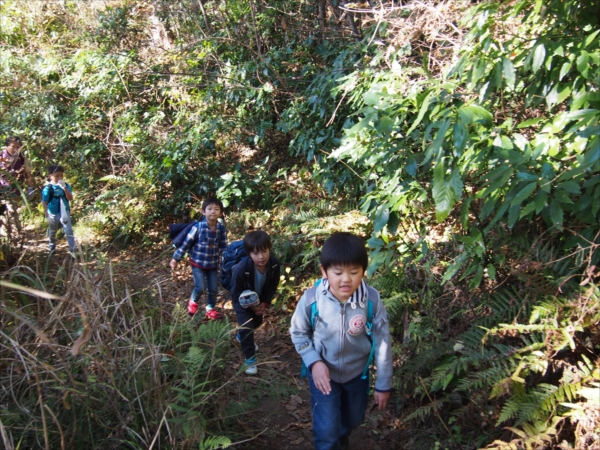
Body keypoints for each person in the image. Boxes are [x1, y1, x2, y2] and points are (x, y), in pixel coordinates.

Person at [289, 232, 393, 450]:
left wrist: (383, 383)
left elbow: (382, 339)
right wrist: (314, 362)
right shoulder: (312, 299)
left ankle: (343, 434)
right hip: (323, 375)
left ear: (364, 271)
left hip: (357, 375)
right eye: (338, 272)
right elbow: (299, 332)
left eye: (354, 272)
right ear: (324, 271)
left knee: (354, 418)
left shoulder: (371, 300)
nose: (346, 279)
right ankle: (331, 441)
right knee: (326, 430)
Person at [230, 230, 280, 375]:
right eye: (255, 253)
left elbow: (273, 285)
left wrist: (264, 303)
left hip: (258, 299)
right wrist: (250, 307)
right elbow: (235, 292)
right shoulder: (241, 269)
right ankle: (250, 359)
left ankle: (241, 337)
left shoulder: (274, 264)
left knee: (257, 323)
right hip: (241, 301)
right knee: (247, 327)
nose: (261, 256)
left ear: (270, 249)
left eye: (264, 251)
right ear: (249, 254)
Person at [170, 197, 228, 320]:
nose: (213, 211)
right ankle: (193, 303)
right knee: (200, 287)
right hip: (198, 263)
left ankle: (210, 309)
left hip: (212, 264)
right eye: (210, 209)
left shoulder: (221, 229)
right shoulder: (198, 227)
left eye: (216, 209)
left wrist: (226, 262)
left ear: (221, 213)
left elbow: (223, 247)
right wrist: (176, 258)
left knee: (213, 288)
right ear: (203, 212)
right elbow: (186, 244)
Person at [1, 136, 34, 234]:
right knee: (5, 211)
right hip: (2, 189)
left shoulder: (22, 157)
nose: (15, 149)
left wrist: (30, 187)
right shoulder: (1, 156)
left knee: (12, 209)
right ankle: (11, 232)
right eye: (13, 147)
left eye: (18, 147)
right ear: (6, 146)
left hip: (15, 189)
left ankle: (15, 232)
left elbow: (28, 173)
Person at [41, 165, 75, 254]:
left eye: (61, 175)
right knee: (53, 231)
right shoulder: (48, 188)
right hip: (52, 213)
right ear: (50, 176)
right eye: (57, 176)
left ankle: (73, 250)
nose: (59, 178)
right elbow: (44, 202)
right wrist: (46, 213)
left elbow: (70, 198)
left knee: (68, 231)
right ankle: (52, 246)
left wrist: (64, 188)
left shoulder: (66, 185)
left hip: (64, 212)